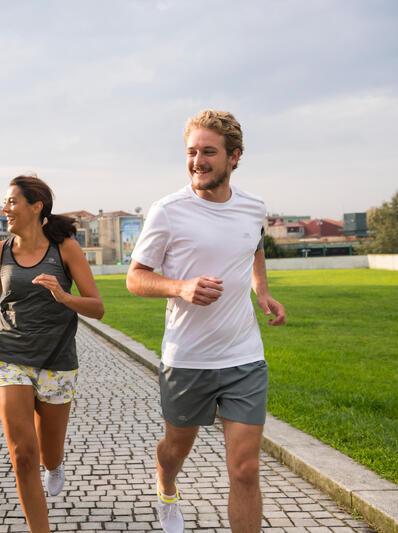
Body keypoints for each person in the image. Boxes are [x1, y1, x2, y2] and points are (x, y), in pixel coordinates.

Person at [126, 110, 286, 533]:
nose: (197, 160)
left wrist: (262, 290)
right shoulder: (168, 211)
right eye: (192, 152)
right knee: (176, 449)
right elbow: (135, 278)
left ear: (234, 157)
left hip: (243, 357)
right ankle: (166, 482)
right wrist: (180, 287)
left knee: (246, 468)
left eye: (208, 152)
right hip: (187, 359)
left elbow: (253, 248)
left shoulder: (254, 208)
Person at [0, 175, 104, 533]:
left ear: (36, 206)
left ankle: (55, 466)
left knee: (47, 453)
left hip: (57, 360)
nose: (5, 208)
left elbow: (96, 307)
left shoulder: (66, 249)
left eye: (12, 201)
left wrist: (64, 296)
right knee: (23, 454)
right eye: (6, 202)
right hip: (8, 354)